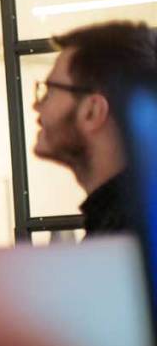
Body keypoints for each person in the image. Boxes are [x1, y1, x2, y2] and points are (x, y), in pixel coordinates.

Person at [32, 20, 157, 237]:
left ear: (92, 111)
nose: (36, 105)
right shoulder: (128, 220)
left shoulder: (130, 241)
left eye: (50, 91)